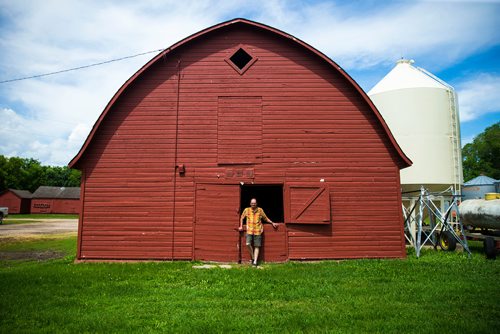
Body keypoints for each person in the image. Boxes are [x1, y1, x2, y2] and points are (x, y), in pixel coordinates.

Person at [239, 198, 278, 266]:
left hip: (258, 230)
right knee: (248, 244)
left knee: (257, 246)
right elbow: (242, 218)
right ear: (250, 203)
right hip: (250, 230)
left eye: (254, 203)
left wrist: (272, 223)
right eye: (252, 203)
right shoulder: (247, 210)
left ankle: (255, 262)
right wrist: (241, 226)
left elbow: (265, 218)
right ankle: (253, 257)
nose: (253, 204)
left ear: (256, 204)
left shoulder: (260, 210)